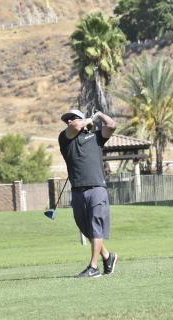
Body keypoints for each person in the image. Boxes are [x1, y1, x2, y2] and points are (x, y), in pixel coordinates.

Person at [58, 108, 118, 278]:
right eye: (66, 120)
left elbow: (112, 125)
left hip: (97, 188)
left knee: (96, 226)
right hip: (77, 191)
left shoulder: (96, 137)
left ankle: (94, 267)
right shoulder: (65, 138)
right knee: (86, 229)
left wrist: (98, 116)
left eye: (72, 118)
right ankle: (108, 256)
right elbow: (76, 127)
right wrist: (87, 120)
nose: (68, 122)